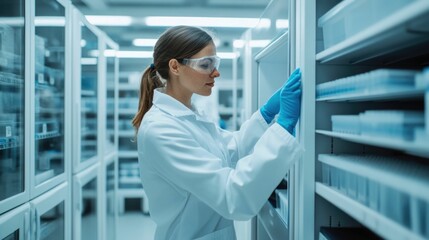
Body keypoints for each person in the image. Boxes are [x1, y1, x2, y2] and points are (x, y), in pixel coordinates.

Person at [132, 25, 303, 240]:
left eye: (215, 62)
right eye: (206, 64)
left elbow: (229, 151)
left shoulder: (190, 116)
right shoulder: (160, 129)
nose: (216, 72)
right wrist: (283, 128)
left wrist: (266, 115)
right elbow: (233, 196)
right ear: (175, 67)